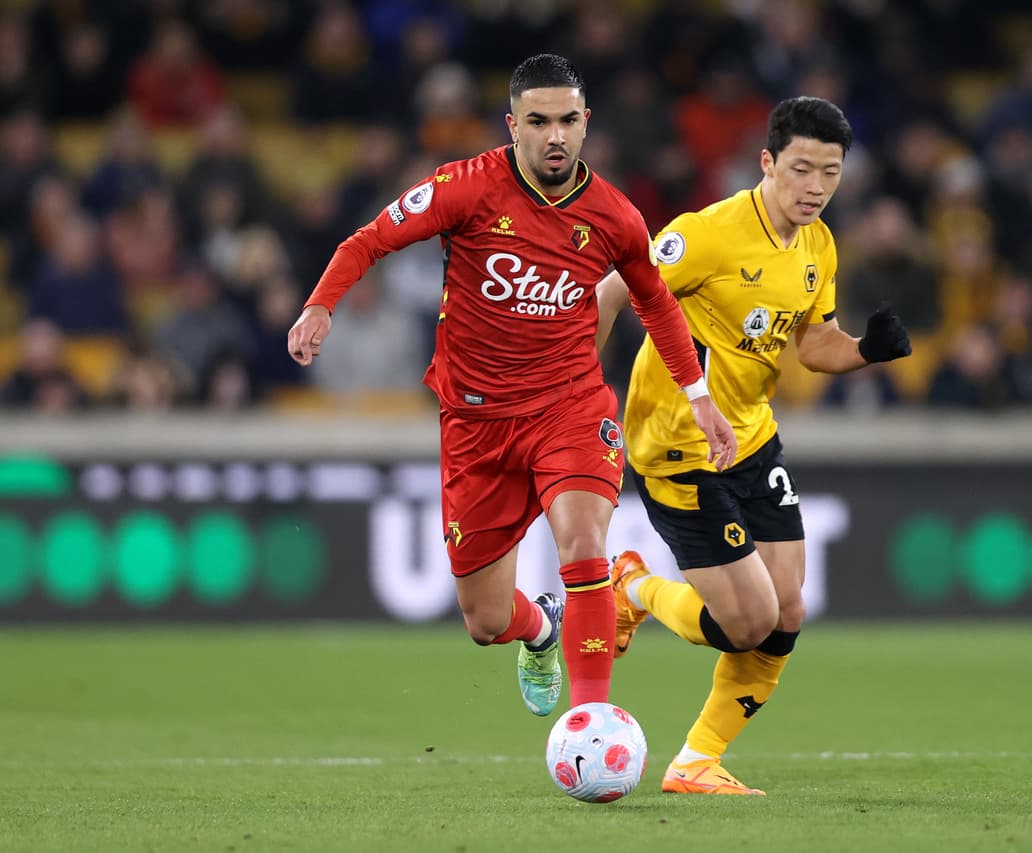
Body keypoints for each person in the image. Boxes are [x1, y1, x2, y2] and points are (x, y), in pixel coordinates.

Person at [288, 54, 737, 720]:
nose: (554, 136)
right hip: (475, 422)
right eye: (538, 122)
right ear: (513, 125)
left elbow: (657, 304)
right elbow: (368, 241)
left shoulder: (615, 217)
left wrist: (699, 395)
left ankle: (590, 724)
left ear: (586, 124)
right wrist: (321, 304)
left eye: (566, 121)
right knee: (484, 617)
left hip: (569, 405)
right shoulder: (465, 188)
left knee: (584, 544)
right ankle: (541, 630)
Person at [595, 96, 912, 795]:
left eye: (830, 172)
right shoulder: (707, 234)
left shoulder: (819, 243)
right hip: (678, 446)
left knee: (787, 611)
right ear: (766, 162)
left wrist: (866, 350)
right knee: (747, 623)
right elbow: (612, 291)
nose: (815, 187)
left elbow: (813, 344)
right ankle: (634, 587)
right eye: (801, 169)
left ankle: (694, 762)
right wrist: (581, 387)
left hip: (752, 437)